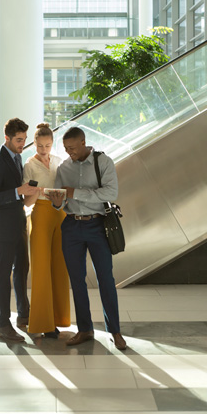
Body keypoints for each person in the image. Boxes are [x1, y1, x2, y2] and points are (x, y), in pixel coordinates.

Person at [48, 126, 127, 350]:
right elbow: (61, 200)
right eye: (65, 149)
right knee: (77, 280)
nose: (69, 152)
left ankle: (115, 331)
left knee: (106, 279)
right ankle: (85, 330)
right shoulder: (64, 167)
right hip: (72, 226)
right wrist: (57, 202)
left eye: (72, 148)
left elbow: (111, 193)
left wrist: (75, 192)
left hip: (98, 225)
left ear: (83, 142)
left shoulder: (103, 162)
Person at [0, 117, 39, 342]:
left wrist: (26, 195)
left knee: (22, 270)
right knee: (3, 275)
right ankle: (2, 324)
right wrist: (18, 191)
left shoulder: (18, 158)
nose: (22, 144)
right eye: (18, 140)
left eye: (24, 140)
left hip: (18, 225)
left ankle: (23, 315)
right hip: (3, 229)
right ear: (6, 138)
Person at [22, 123, 70, 338]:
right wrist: (38, 190)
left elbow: (67, 190)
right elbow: (27, 201)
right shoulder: (29, 165)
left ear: (53, 144)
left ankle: (59, 318)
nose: (43, 150)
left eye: (48, 145)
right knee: (41, 269)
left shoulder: (59, 162)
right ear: (34, 144)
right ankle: (44, 323)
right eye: (40, 145)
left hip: (60, 213)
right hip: (40, 214)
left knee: (60, 267)